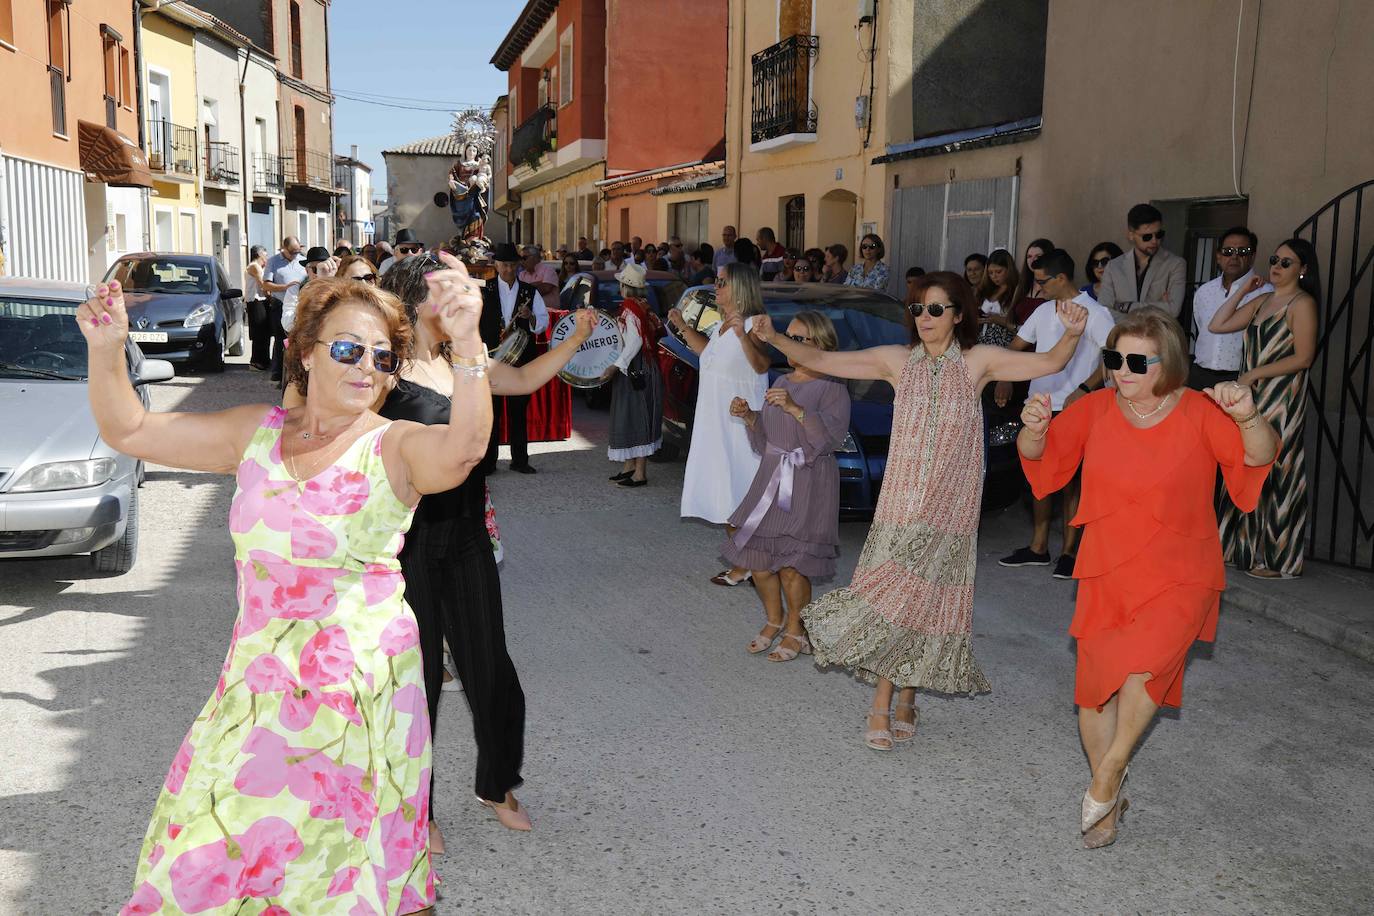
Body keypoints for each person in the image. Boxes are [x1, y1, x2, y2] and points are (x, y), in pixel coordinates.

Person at [90, 260, 492, 914]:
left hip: (360, 696)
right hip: (254, 689)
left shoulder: (395, 447)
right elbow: (130, 429)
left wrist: (469, 344)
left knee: (345, 870)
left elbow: (466, 448)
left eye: (384, 358)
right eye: (347, 348)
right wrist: (105, 350)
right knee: (217, 851)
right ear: (305, 354)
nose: (367, 366)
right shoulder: (255, 434)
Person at [755, 272, 1089, 751]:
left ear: (958, 314)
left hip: (952, 507)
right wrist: (772, 337)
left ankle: (896, 697)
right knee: (897, 597)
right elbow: (821, 357)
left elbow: (1051, 359)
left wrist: (1073, 332)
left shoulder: (979, 363)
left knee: (927, 602)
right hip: (901, 503)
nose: (925, 318)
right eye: (917, 309)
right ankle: (894, 698)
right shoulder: (897, 361)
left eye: (936, 309)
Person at [1017, 308, 1276, 848]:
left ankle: (1108, 774)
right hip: (1107, 568)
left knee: (1148, 669)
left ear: (1170, 363)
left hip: (1182, 570)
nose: (1122, 370)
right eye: (1114, 359)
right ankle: (1107, 796)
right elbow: (1043, 462)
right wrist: (1034, 431)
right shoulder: (1094, 410)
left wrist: (1249, 415)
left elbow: (1258, 456)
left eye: (1138, 361)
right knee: (1095, 694)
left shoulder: (1201, 412)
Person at [376, 255, 595, 844]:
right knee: (414, 679)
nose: (460, 303)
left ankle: (496, 782)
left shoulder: (468, 364)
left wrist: (574, 339)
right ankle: (414, 809)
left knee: (490, 669)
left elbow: (523, 379)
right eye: (447, 292)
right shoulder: (385, 373)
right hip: (408, 542)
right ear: (414, 299)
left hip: (469, 532)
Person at [725, 311, 850, 662]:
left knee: (794, 564)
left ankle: (797, 630)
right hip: (771, 477)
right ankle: (774, 619)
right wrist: (750, 417)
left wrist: (797, 411)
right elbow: (767, 439)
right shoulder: (779, 381)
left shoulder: (833, 387)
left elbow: (827, 442)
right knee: (760, 560)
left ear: (821, 345)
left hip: (808, 482)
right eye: (788, 336)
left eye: (799, 339)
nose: (789, 343)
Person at [996, 249, 1117, 578]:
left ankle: (1069, 551)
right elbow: (1016, 348)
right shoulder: (1043, 311)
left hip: (1077, 408)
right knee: (1039, 480)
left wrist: (1086, 389)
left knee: (1072, 483)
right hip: (1039, 409)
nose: (1038, 288)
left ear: (1061, 278)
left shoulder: (1096, 313)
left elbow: (1113, 357)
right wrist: (1005, 375)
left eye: (1042, 281)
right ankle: (1038, 548)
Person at [1210, 238, 1319, 579]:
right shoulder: (1262, 301)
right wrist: (1244, 291)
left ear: (1303, 270)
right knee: (1244, 465)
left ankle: (1277, 559)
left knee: (1278, 469)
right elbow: (1218, 324)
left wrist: (1255, 372)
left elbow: (1304, 357)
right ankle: (1238, 549)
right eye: (1275, 259)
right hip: (1251, 396)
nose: (1277, 266)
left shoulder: (1302, 304)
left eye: (1287, 262)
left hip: (1281, 398)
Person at [668, 262, 771, 585]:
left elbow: (762, 364)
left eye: (722, 282)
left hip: (741, 426)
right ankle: (745, 563)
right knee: (727, 492)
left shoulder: (755, 323)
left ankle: (753, 563)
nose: (716, 286)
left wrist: (743, 336)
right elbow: (708, 356)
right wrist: (683, 326)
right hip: (716, 422)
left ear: (740, 288)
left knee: (741, 492)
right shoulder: (722, 324)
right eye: (717, 280)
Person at [484, 242, 549, 474]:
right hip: (491, 359)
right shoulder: (485, 288)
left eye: (512, 265)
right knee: (491, 413)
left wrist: (530, 316)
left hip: (520, 360)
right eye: (503, 265)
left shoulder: (530, 292)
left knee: (518, 411)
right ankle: (488, 462)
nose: (508, 270)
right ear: (496, 265)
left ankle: (520, 461)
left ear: (518, 266)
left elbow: (542, 323)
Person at [605, 263, 665, 487]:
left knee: (637, 415)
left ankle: (639, 473)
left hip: (635, 368)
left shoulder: (631, 308)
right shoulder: (643, 306)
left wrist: (615, 365)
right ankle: (629, 467)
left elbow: (635, 341)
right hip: (643, 366)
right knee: (632, 415)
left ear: (625, 286)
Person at [1189, 227, 1271, 389]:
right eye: (1228, 251)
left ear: (1252, 256)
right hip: (1200, 375)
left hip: (1240, 378)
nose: (1234, 256)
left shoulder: (1266, 293)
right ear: (1218, 256)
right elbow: (1201, 329)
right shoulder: (1204, 291)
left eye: (1243, 251)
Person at [1097, 203, 1187, 317]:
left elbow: (1173, 310)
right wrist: (1159, 306)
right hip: (1123, 331)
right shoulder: (1114, 266)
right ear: (1131, 235)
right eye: (1147, 237)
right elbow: (1103, 311)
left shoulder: (1175, 264)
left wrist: (1125, 306)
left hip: (1158, 334)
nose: (1154, 241)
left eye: (1159, 234)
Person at [261, 236, 307, 382]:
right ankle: (278, 372)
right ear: (284, 249)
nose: (295, 255)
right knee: (281, 339)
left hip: (298, 304)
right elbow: (266, 285)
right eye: (292, 252)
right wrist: (286, 287)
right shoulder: (273, 262)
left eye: (297, 251)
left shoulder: (303, 260)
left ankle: (295, 372)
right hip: (279, 304)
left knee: (296, 340)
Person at [976, 248, 1020, 348]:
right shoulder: (985, 290)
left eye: (998, 272)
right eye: (990, 273)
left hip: (1004, 344)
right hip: (982, 342)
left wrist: (999, 320)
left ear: (1009, 269)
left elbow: (1021, 326)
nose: (994, 276)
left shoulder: (1017, 291)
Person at [1012, 237, 1055, 323]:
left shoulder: (1054, 286)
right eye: (1029, 256)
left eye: (1038, 256)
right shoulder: (1023, 285)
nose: (1032, 260)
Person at [244, 245, 270, 370]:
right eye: (266, 254)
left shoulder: (259, 267)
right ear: (260, 254)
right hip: (255, 301)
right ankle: (256, 361)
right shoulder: (254, 266)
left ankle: (264, 359)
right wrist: (270, 295)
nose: (267, 257)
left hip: (261, 301)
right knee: (259, 332)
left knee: (264, 332)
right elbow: (262, 284)